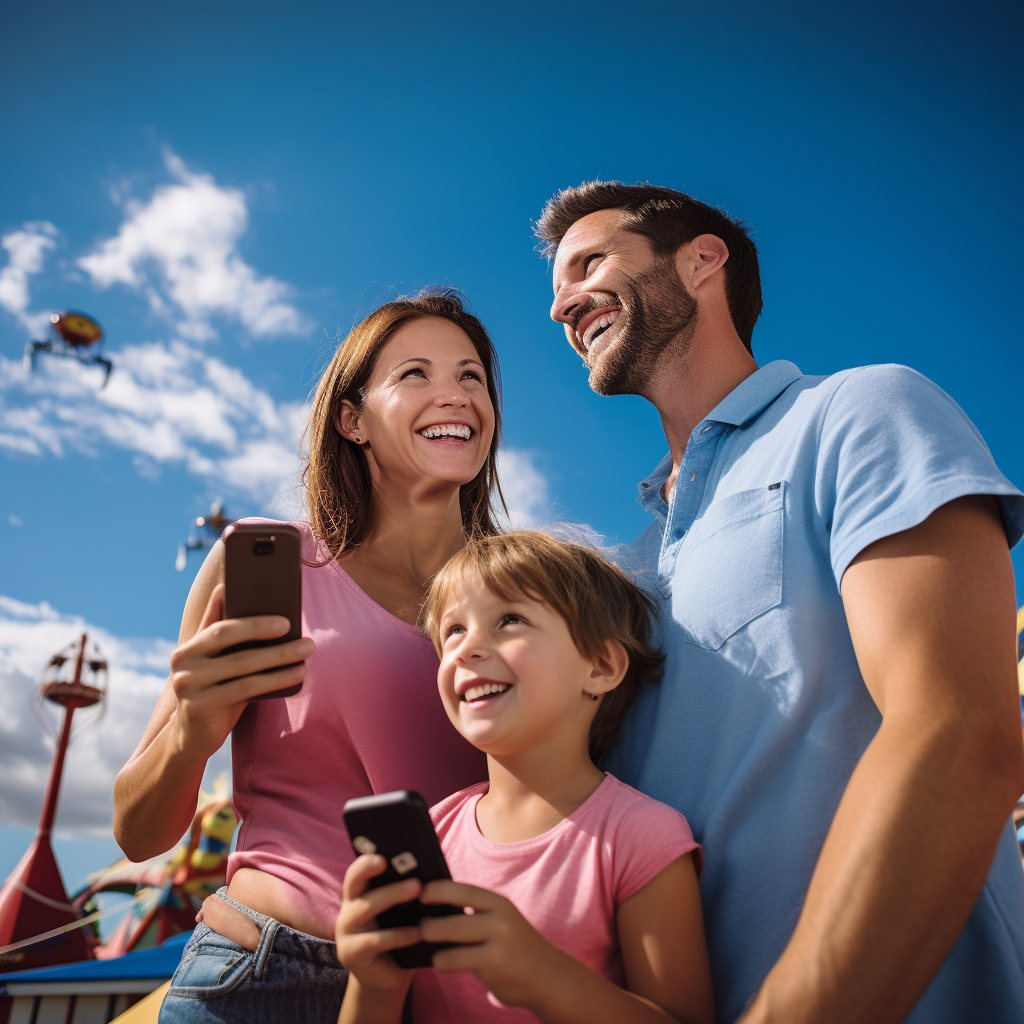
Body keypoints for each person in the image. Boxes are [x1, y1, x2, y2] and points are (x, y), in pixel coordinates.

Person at [537, 182, 1024, 1024]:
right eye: (555, 289)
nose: (562, 308)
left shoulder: (861, 412)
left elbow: (960, 731)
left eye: (590, 263)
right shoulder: (630, 571)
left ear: (701, 261)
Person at [113, 291, 504, 1023]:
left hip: (454, 989)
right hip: (263, 975)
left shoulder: (529, 595)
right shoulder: (272, 563)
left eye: (472, 376)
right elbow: (138, 834)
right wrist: (191, 736)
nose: (454, 394)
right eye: (414, 373)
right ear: (351, 419)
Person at [334, 531, 715, 1024]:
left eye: (509, 619)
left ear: (599, 666)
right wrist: (373, 983)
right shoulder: (431, 835)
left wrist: (544, 978)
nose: (466, 649)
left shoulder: (641, 836)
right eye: (452, 631)